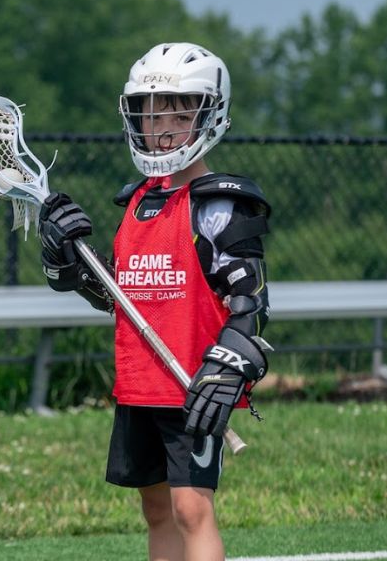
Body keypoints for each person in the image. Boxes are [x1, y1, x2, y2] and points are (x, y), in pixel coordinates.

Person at [38, 42, 272, 561]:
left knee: (192, 509)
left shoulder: (218, 206)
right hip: (139, 385)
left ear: (209, 115)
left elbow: (250, 301)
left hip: (194, 387)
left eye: (180, 110)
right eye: (152, 110)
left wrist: (230, 364)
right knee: (157, 510)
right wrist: (69, 264)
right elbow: (121, 296)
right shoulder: (139, 201)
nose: (163, 124)